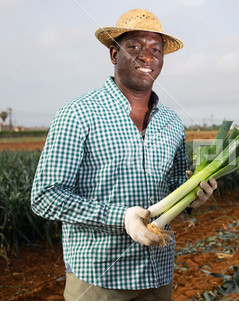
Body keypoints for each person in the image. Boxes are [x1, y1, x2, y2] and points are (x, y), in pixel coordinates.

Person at [31, 9, 217, 301]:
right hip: (99, 281)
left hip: (158, 274)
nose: (147, 56)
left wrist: (195, 195)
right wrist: (122, 217)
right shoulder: (79, 114)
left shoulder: (171, 123)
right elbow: (46, 197)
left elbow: (175, 186)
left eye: (156, 49)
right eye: (135, 47)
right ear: (114, 55)